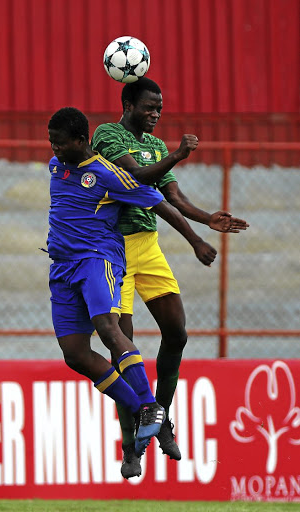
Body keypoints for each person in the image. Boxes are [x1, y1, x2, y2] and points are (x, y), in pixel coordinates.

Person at [91, 77, 249, 478]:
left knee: (177, 333)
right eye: (149, 107)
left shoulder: (157, 145)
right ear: (128, 104)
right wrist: (178, 155)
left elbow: (172, 197)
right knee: (123, 350)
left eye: (160, 107)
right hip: (115, 250)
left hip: (148, 246)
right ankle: (132, 447)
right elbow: (139, 178)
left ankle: (160, 421)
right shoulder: (107, 135)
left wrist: (207, 219)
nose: (157, 113)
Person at [45, 106, 206, 457]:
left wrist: (196, 238)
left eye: (60, 144)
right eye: (51, 143)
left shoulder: (109, 175)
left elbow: (160, 203)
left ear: (81, 140)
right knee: (74, 354)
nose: (54, 150)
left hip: (96, 261)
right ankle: (142, 410)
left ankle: (148, 405)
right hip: (61, 268)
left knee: (108, 327)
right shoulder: (57, 166)